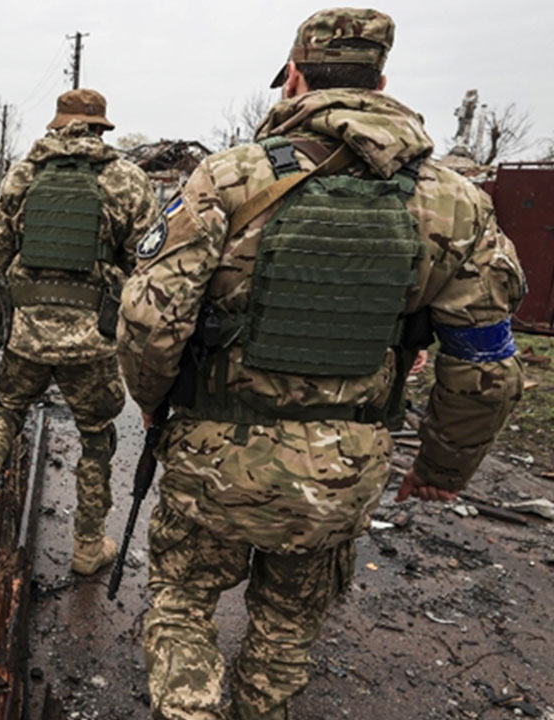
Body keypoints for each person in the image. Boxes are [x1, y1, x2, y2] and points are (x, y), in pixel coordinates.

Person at [116, 8, 527, 719]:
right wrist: (441, 469)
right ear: (382, 80)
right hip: (343, 470)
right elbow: (485, 365)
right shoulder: (455, 203)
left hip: (213, 462)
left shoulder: (227, 179)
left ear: (295, 79)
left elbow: (151, 319)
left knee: (182, 604)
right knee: (286, 626)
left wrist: (152, 398)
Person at [0, 88, 159, 575]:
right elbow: (148, 263)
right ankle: (86, 546)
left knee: (7, 413)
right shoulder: (126, 179)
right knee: (97, 436)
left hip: (27, 336)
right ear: (102, 129)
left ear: (55, 127)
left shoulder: (22, 175)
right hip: (92, 343)